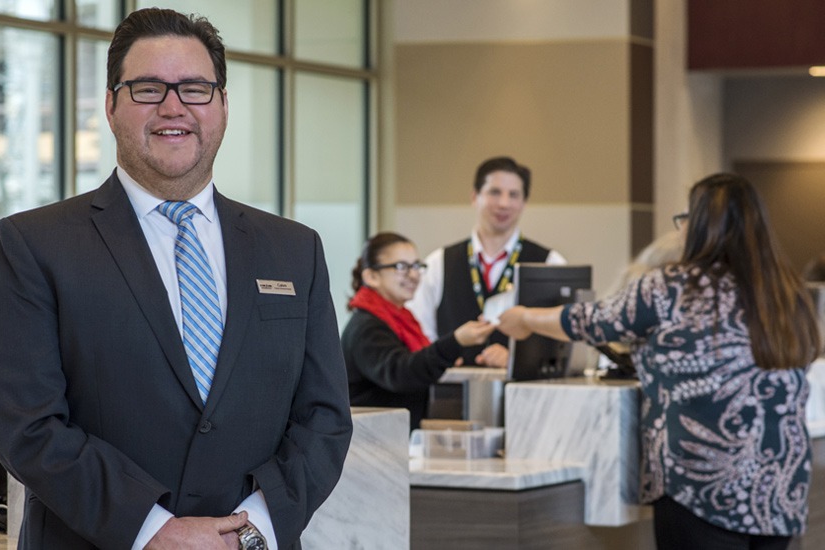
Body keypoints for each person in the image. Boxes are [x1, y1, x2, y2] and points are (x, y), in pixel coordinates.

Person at [0, 8, 352, 550]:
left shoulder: (295, 250)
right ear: (110, 105)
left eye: (196, 89)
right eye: (148, 88)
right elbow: (25, 427)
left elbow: (324, 418)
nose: (173, 107)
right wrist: (151, 529)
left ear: (223, 106)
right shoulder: (36, 244)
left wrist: (251, 530)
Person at [499, 173, 821, 550]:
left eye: (685, 220)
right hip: (779, 488)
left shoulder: (671, 286)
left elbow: (593, 321)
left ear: (701, 226)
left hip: (701, 485)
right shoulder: (787, 291)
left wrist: (524, 319)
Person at [407, 156, 566, 368]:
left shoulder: (550, 263)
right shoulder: (439, 263)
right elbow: (417, 330)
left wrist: (515, 359)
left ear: (524, 203)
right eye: (495, 192)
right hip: (451, 391)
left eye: (514, 195)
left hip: (523, 394)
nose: (504, 203)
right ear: (475, 197)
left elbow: (564, 336)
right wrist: (443, 354)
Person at [341, 232, 497, 430]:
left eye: (416, 266)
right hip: (372, 447)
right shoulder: (367, 327)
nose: (414, 275)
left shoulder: (402, 319)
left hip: (391, 441)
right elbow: (403, 373)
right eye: (401, 267)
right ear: (371, 276)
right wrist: (455, 342)